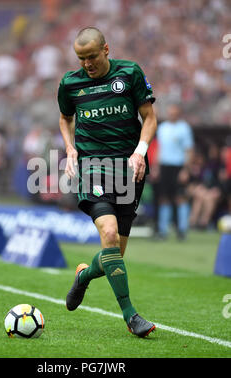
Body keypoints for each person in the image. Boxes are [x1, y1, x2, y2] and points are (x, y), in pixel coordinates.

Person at [57, 27, 157, 338]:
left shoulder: (130, 73)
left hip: (129, 169)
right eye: (80, 58)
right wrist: (71, 148)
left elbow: (149, 117)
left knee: (114, 254)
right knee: (109, 233)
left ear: (106, 49)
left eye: (91, 56)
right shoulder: (70, 84)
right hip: (92, 168)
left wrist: (140, 152)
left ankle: (84, 275)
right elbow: (65, 118)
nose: (86, 63)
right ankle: (131, 316)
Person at [156, 104, 194, 240]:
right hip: (164, 166)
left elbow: (189, 150)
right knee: (164, 198)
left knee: (180, 198)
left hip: (178, 166)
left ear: (179, 113)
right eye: (170, 113)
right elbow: (159, 149)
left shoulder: (184, 128)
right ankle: (162, 231)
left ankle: (182, 230)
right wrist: (156, 167)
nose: (172, 115)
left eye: (174, 113)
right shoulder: (162, 128)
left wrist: (185, 170)